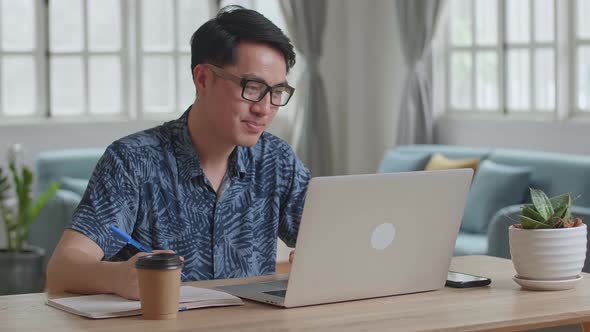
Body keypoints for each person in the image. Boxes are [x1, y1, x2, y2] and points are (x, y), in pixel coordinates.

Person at [46, 6, 310, 300]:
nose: (264, 108)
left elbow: (328, 240)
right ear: (203, 79)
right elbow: (61, 270)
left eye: (277, 93)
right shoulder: (133, 161)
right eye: (253, 87)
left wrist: (323, 257)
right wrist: (119, 276)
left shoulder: (277, 160)